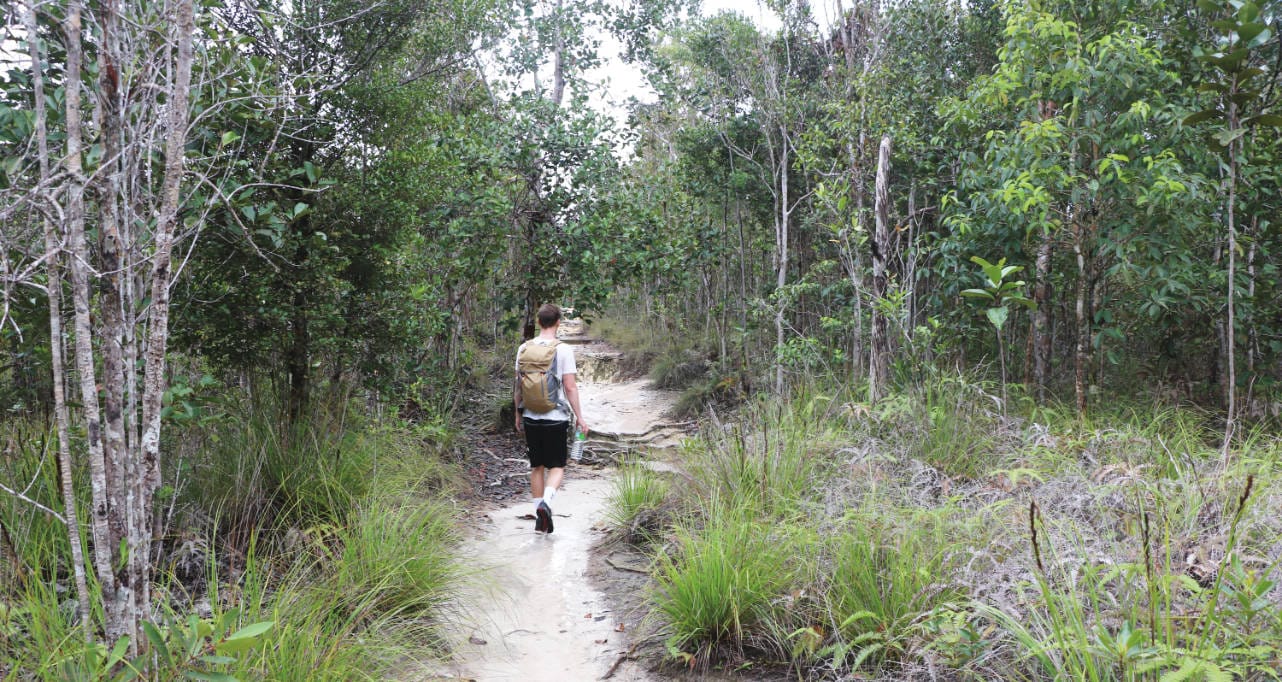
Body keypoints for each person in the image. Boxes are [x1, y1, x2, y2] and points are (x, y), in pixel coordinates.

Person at [514, 303, 589, 534]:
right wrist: (580, 417)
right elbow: (570, 386)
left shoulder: (524, 348)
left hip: (531, 416)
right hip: (555, 416)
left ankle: (539, 516)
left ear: (538, 322)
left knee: (536, 466)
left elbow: (519, 385)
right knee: (557, 466)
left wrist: (518, 413)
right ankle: (546, 502)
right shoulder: (563, 350)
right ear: (558, 322)